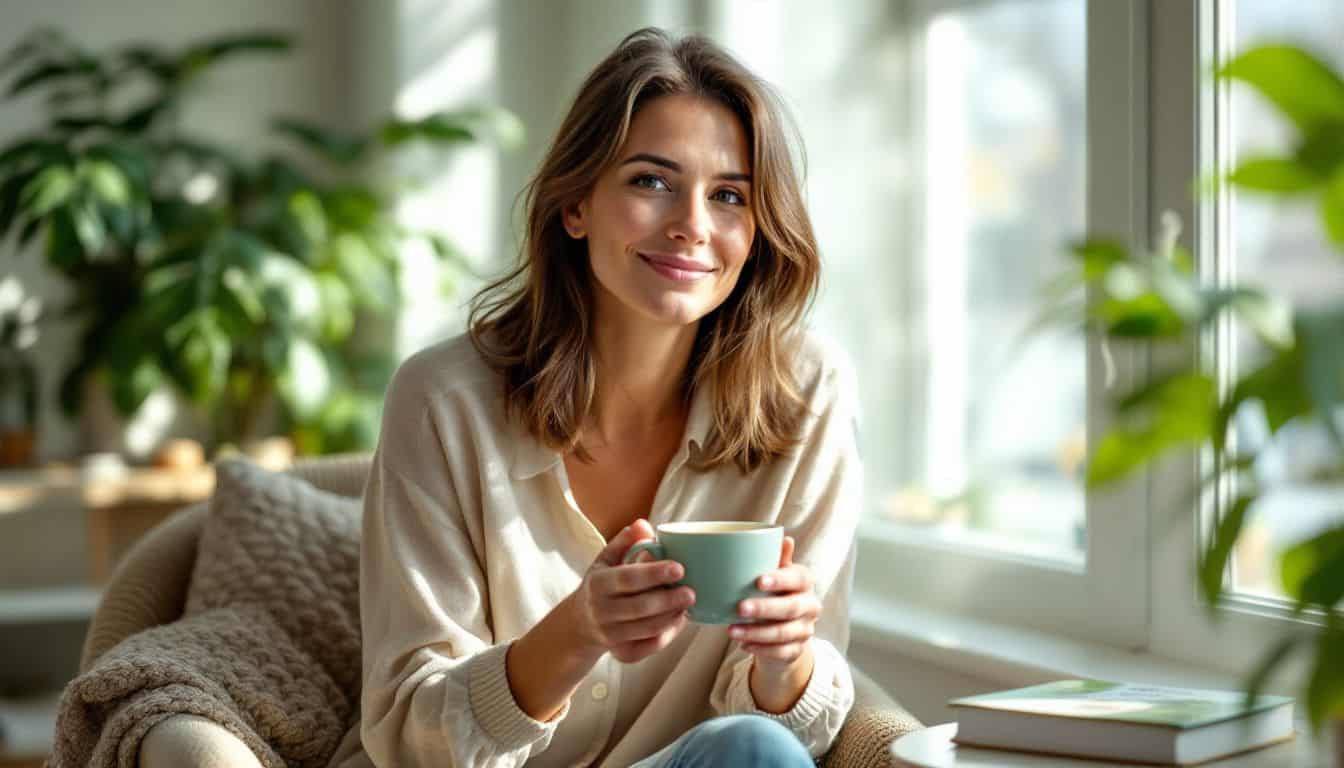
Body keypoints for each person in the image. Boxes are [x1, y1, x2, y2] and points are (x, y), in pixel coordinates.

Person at [357, 26, 862, 768]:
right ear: (575, 206)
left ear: (755, 233)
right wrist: (577, 630)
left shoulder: (807, 394)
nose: (693, 225)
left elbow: (789, 743)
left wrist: (786, 664)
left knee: (755, 746)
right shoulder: (442, 401)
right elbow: (408, 730)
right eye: (651, 181)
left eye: (728, 196)